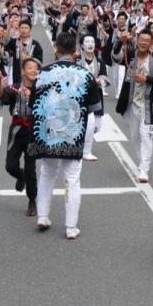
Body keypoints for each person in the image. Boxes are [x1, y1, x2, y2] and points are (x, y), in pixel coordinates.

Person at [29, 32, 102, 240]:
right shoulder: (85, 75)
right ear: (75, 52)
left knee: (47, 172)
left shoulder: (43, 73)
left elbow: (34, 104)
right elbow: (94, 107)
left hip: (47, 133)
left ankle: (43, 216)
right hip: (73, 133)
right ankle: (71, 226)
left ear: (56, 49)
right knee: (72, 178)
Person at [115, 27, 153, 183]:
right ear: (136, 39)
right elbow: (115, 57)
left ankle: (144, 169)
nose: (143, 42)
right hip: (131, 102)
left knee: (146, 135)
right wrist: (119, 42)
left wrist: (147, 79)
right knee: (135, 136)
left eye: (147, 41)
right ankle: (141, 161)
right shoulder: (130, 55)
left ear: (151, 43)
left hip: (149, 104)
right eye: (141, 39)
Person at [0, 57, 40, 216]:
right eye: (30, 68)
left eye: (36, 68)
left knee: (31, 168)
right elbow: (2, 97)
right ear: (23, 71)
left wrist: (32, 95)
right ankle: (20, 176)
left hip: (33, 131)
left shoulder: (40, 89)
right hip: (16, 129)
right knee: (10, 165)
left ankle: (32, 200)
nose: (34, 71)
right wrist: (0, 80)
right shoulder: (15, 88)